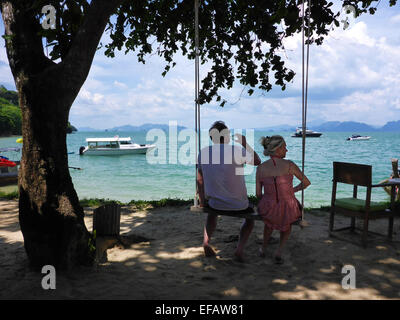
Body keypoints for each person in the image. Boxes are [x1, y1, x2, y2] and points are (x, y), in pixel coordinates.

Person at [197, 121, 261, 262]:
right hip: (239, 205)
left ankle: (206, 243)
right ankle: (239, 249)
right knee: (249, 220)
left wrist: (202, 201)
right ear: (227, 137)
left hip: (214, 203)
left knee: (211, 215)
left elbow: (199, 180)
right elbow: (257, 161)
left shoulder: (203, 152)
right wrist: (245, 143)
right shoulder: (237, 150)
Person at [256, 135, 310, 264]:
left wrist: (270, 200)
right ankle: (279, 251)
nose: (287, 150)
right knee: (287, 220)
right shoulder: (290, 165)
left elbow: (258, 194)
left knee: (269, 221)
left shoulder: (261, 168)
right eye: (285, 147)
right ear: (278, 149)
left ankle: (263, 248)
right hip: (288, 208)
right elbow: (306, 183)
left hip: (268, 208)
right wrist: (293, 190)